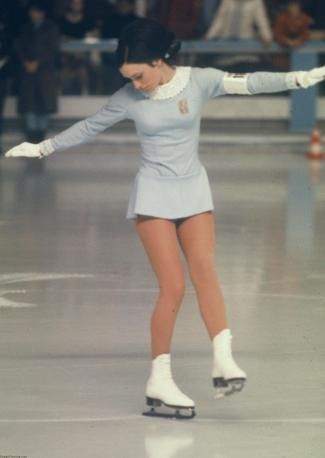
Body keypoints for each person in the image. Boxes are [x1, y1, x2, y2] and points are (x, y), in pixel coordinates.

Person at [5, 18, 325, 419]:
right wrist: (42, 148)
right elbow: (90, 126)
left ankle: (223, 360)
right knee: (172, 287)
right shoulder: (128, 97)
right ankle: (159, 379)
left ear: (159, 61)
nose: (136, 84)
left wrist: (303, 79)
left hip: (193, 190)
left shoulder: (201, 80)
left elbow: (253, 82)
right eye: (129, 78)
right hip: (154, 195)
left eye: (139, 75)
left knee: (206, 270)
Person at [14, 0, 60, 145]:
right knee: (30, 103)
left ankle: (41, 134)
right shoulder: (25, 28)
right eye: (31, 11)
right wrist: (26, 62)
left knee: (43, 103)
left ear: (42, 13)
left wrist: (38, 62)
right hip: (28, 72)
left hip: (45, 72)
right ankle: (31, 133)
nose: (32, 14)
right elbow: (19, 47)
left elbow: (52, 49)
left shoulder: (51, 28)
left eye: (35, 11)